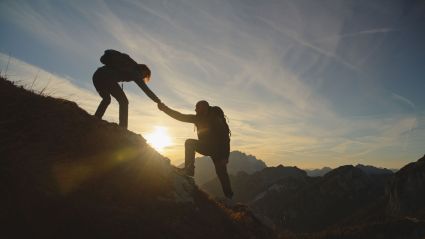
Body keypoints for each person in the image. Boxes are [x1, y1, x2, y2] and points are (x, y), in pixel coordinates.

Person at [158, 100, 233, 199]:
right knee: (221, 173)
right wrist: (164, 109)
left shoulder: (215, 119)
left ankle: (229, 196)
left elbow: (225, 137)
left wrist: (225, 156)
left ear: (204, 108)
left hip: (217, 149)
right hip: (211, 148)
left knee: (221, 173)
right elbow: (180, 116)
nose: (195, 110)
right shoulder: (198, 118)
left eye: (197, 108)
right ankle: (189, 170)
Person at [92, 59, 160, 128]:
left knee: (106, 99)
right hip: (107, 77)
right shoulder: (135, 73)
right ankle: (123, 128)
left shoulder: (130, 65)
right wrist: (158, 101)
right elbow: (146, 90)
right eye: (144, 75)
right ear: (142, 70)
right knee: (124, 101)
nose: (143, 77)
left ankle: (95, 119)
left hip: (97, 75)